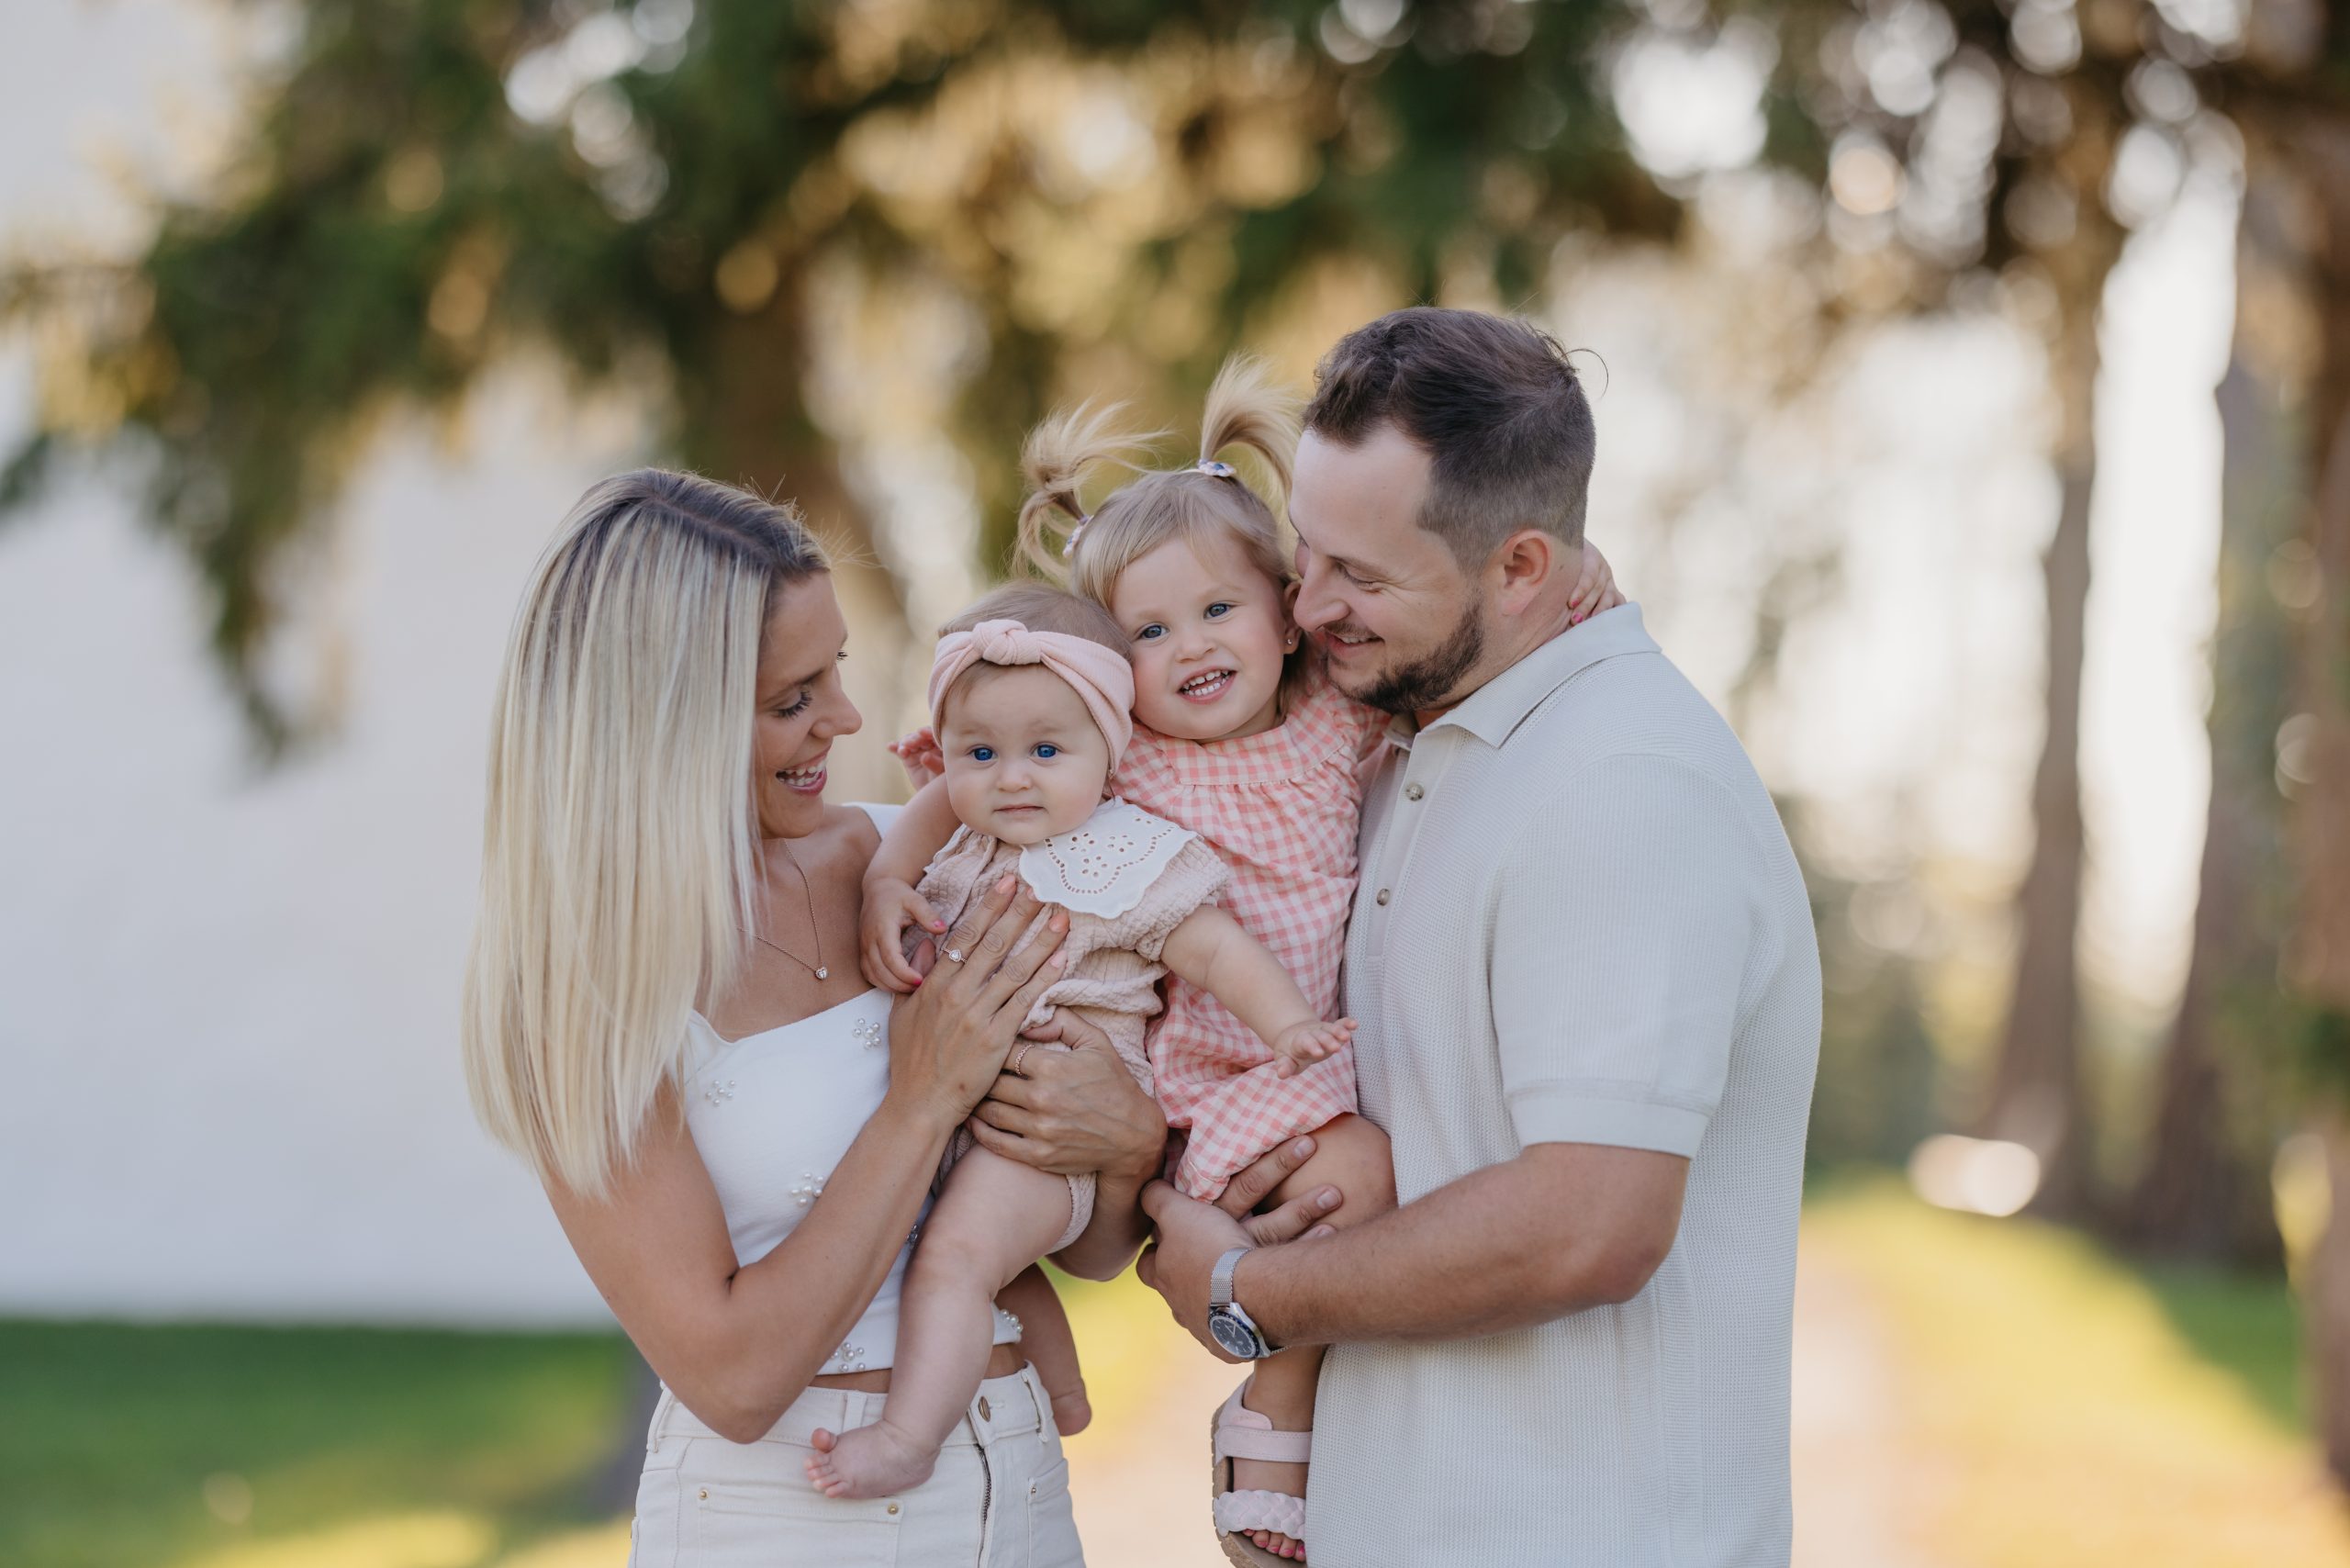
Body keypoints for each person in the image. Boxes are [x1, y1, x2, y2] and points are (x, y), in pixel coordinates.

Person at [458, 469, 1339, 1566]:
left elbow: (1097, 1251)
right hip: (788, 1517)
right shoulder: (586, 992)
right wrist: (921, 1101)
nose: (848, 717)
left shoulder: (922, 864)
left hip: (1018, 1492)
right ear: (662, 722)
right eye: (793, 698)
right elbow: (730, 1379)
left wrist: (1122, 1141)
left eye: (831, 670)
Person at [876, 362, 1619, 1564]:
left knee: (1355, 1194)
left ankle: (1266, 1389)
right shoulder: (1126, 765)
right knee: (1364, 1178)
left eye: (1218, 612)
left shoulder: (1340, 717)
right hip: (1204, 1073)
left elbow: (1471, 654)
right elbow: (958, 781)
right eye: (1150, 633)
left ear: (1284, 615)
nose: (1192, 648)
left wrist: (1575, 584)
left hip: (1300, 1052)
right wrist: (886, 873)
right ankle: (1269, 1413)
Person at [1136, 308, 1824, 1568]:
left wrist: (1249, 1298)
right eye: (1307, 551)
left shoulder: (1623, 785)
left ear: (1520, 568)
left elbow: (1591, 1221)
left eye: (1363, 577)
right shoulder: (1411, 736)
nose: (1307, 601)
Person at [807, 583, 1354, 1504]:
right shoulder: (964, 838)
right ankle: (1058, 1385)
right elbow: (918, 824)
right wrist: (881, 890)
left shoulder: (1128, 855)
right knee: (947, 1246)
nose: (1012, 776)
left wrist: (1287, 1023)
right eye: (981, 752)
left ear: (1110, 750)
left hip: (1048, 1129)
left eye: (1046, 751)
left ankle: (906, 1437)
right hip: (958, 1114)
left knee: (954, 1257)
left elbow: (1216, 948)